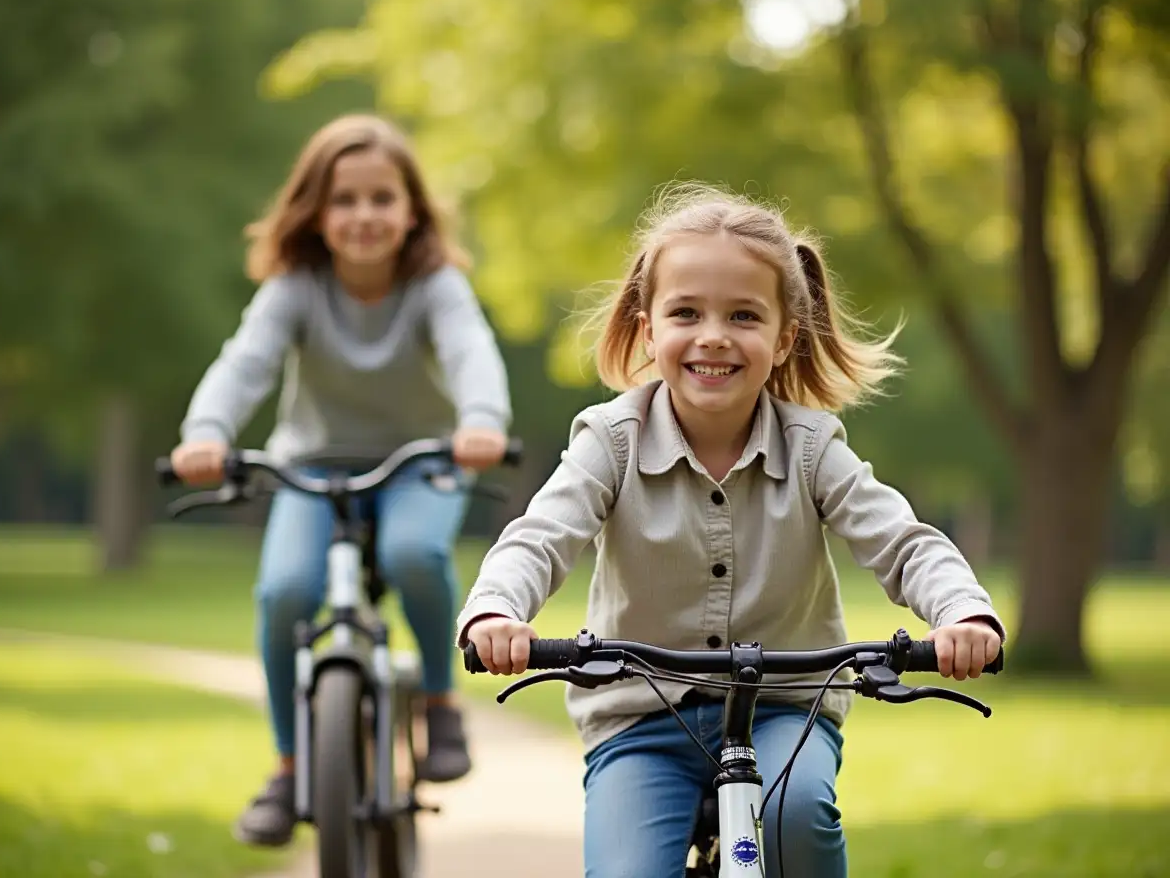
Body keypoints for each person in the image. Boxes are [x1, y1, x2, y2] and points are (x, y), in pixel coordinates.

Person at [458, 183, 1004, 878]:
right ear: (649, 329)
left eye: (744, 315)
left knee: (794, 814)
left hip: (786, 714)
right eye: (686, 312)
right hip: (641, 725)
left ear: (783, 339)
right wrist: (499, 611)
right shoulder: (611, 442)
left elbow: (901, 539)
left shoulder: (812, 448)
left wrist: (961, 610)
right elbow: (540, 535)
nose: (713, 335)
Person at [168, 113, 513, 847]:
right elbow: (245, 362)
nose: (364, 216)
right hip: (312, 466)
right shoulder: (295, 287)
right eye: (345, 200)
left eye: (381, 199)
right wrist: (206, 433)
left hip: (420, 462)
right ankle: (292, 764)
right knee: (283, 591)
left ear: (412, 210)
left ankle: (441, 702)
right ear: (315, 214)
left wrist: (481, 420)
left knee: (415, 556)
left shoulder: (434, 285)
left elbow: (470, 350)